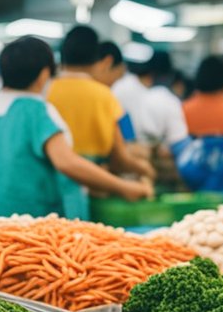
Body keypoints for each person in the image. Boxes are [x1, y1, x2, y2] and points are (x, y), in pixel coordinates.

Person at [0, 37, 152, 219]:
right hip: (33, 222)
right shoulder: (36, 109)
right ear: (44, 74)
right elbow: (66, 162)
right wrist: (125, 187)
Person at [45, 25, 154, 196]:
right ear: (98, 58)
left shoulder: (45, 92)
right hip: (90, 188)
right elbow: (119, 159)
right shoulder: (104, 96)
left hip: (46, 188)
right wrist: (145, 170)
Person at [113, 49, 190, 184]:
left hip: (121, 165)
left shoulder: (124, 87)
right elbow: (179, 143)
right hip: (140, 164)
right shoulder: (166, 99)